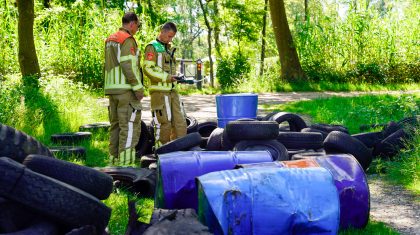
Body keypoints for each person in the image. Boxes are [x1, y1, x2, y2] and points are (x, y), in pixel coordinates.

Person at [104, 12, 144, 165]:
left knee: (115, 127)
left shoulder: (110, 39)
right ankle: (126, 165)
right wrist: (137, 88)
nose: (137, 29)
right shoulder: (127, 40)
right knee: (129, 126)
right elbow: (128, 65)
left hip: (112, 89)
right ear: (132, 23)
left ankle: (113, 162)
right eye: (137, 26)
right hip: (126, 89)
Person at [143, 22, 187, 148]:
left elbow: (168, 69)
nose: (170, 39)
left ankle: (180, 151)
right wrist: (167, 78)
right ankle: (160, 152)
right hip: (160, 93)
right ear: (162, 32)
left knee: (180, 122)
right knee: (164, 124)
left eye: (172, 37)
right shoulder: (152, 47)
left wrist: (177, 76)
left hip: (173, 91)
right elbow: (148, 69)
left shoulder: (169, 48)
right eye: (169, 36)